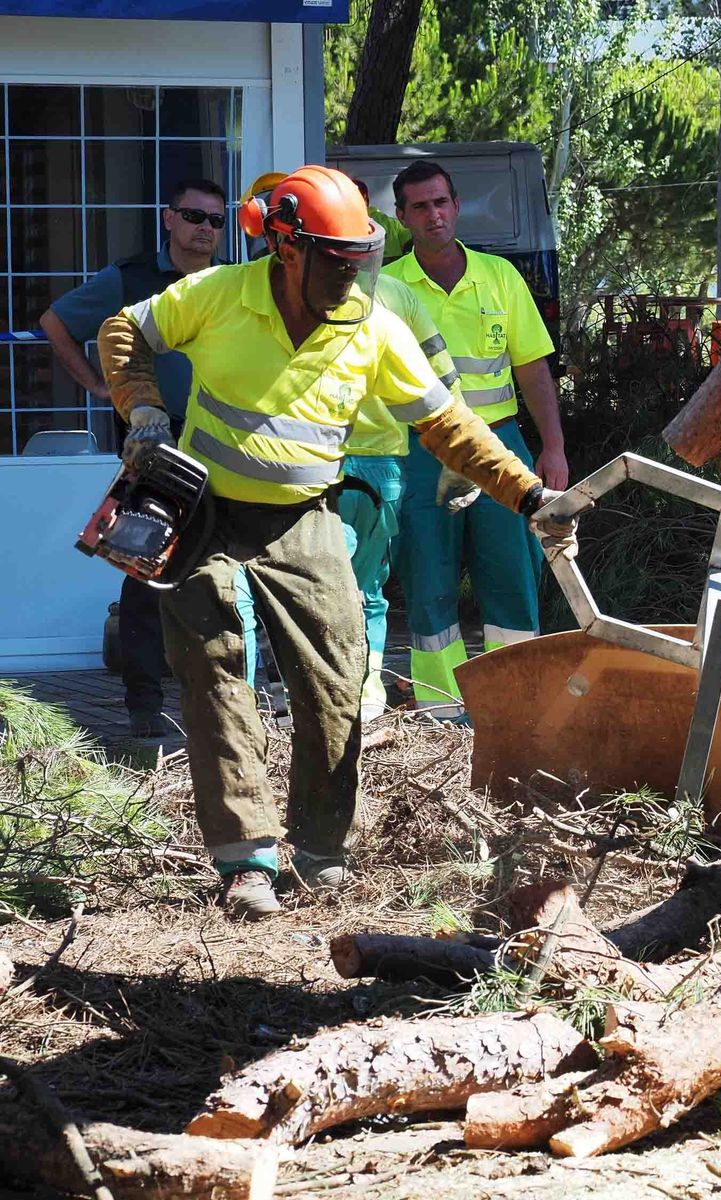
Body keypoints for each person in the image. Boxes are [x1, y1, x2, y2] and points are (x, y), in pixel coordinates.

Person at [97, 165, 563, 919]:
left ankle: (320, 851)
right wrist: (143, 410)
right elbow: (124, 331)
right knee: (215, 664)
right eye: (338, 265)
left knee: (337, 677)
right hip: (204, 512)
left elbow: (446, 422)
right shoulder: (219, 295)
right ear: (288, 250)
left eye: (361, 263)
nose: (352, 279)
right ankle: (247, 860)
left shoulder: (372, 327)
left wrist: (530, 494)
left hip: (303, 516)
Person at [40, 178, 227, 740]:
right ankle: (145, 706)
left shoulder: (234, 283)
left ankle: (222, 700)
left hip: (230, 442)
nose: (205, 229)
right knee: (145, 566)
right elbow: (57, 321)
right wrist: (100, 386)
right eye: (194, 216)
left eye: (216, 221)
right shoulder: (130, 279)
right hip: (157, 445)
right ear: (168, 219)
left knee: (224, 576)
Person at [383, 161, 569, 718]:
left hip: (500, 442)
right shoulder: (388, 287)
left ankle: (515, 701)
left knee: (512, 573)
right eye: (419, 206)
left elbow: (533, 368)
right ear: (402, 217)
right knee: (428, 575)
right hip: (423, 450)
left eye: (440, 202)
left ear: (456, 205)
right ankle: (441, 709)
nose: (433, 214)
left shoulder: (499, 276)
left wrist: (553, 447)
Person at [340, 273, 464, 725]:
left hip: (319, 462)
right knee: (367, 591)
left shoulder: (289, 284)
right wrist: (457, 455)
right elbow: (445, 375)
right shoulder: (397, 293)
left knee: (319, 588)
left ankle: (332, 697)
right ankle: (366, 698)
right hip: (381, 465)